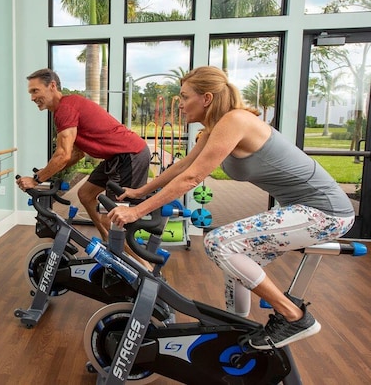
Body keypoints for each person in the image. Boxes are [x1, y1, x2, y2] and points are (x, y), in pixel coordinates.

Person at [107, 66, 355, 349]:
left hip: (325, 211)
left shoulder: (235, 120)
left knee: (219, 242)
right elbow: (183, 166)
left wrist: (136, 212)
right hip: (300, 209)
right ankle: (236, 329)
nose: (182, 104)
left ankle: (294, 316)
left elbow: (192, 178)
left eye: (185, 97)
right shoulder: (214, 130)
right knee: (236, 265)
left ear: (207, 98)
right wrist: (140, 192)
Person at [17, 68, 151, 246]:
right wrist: (45, 172)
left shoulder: (66, 108)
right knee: (86, 194)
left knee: (112, 219)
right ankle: (108, 242)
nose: (32, 98)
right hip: (114, 157)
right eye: (30, 93)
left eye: (35, 91)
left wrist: (36, 180)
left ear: (52, 86)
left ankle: (145, 269)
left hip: (130, 155)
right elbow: (77, 154)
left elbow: (63, 155)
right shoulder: (64, 110)